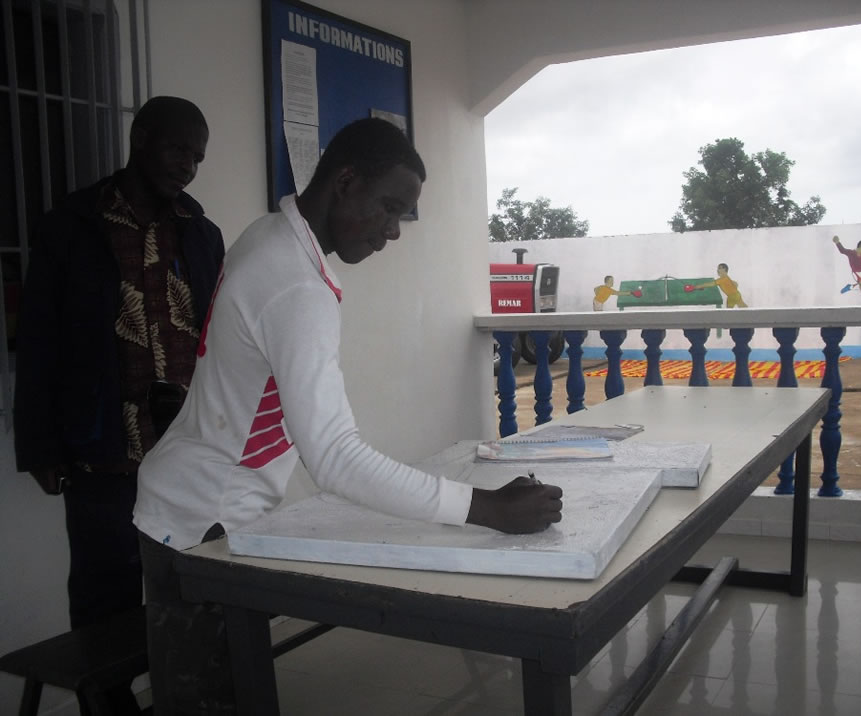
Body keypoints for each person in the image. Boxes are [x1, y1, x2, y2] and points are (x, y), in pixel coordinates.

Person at [132, 118, 563, 714]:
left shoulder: (270, 236)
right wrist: (487, 509)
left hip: (188, 500)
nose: (391, 232)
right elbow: (335, 457)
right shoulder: (296, 287)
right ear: (346, 181)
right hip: (198, 523)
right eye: (388, 208)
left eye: (401, 217)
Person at [13, 96, 224, 712]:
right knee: (103, 605)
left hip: (188, 451)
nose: (187, 165)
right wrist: (40, 445)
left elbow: (220, 336)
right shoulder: (74, 225)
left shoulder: (201, 233)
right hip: (103, 447)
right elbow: (39, 339)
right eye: (177, 148)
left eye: (198, 157)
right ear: (141, 139)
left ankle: (193, 700)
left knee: (193, 591)